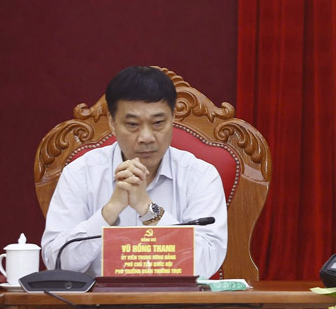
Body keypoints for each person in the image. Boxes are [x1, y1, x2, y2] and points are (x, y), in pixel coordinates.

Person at [42, 66, 227, 278]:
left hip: (178, 307)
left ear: (174, 118)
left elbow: (205, 265)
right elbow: (57, 264)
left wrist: (148, 210)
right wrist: (109, 211)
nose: (146, 137)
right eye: (132, 125)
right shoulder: (80, 174)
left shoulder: (200, 176)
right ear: (112, 123)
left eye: (158, 123)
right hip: (96, 308)